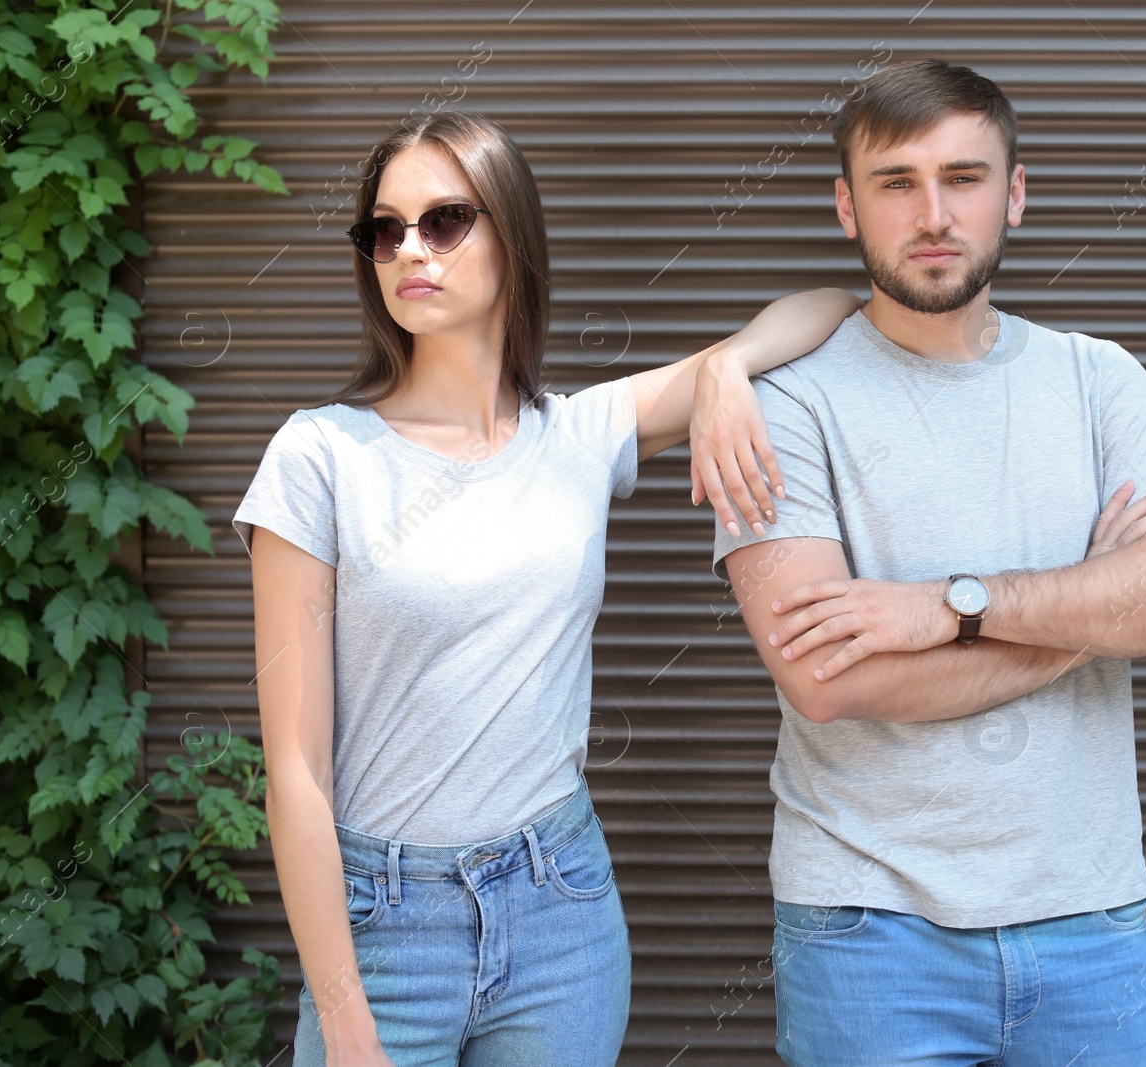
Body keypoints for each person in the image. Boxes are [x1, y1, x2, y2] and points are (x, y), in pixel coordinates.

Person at [234, 110, 860, 1067]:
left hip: (558, 912)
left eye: (445, 221)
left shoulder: (577, 435)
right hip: (383, 928)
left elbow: (830, 302)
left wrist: (727, 364)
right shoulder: (319, 455)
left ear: (511, 236)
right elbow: (296, 774)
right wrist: (347, 1021)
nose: (410, 249)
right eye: (384, 229)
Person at [713, 60, 1146, 1066]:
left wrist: (951, 606)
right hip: (867, 929)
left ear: (1015, 191)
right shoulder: (784, 404)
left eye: (963, 177)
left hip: (1088, 921)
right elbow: (828, 679)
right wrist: (1091, 617)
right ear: (845, 205)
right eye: (896, 182)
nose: (933, 213)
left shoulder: (1099, 378)